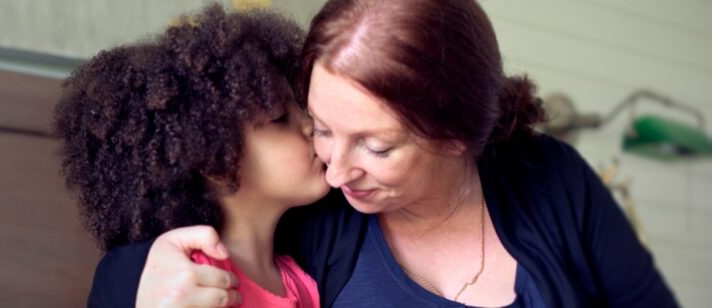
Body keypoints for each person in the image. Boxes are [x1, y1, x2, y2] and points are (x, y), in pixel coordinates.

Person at [89, 0, 679, 307]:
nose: (336, 168)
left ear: (457, 136)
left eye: (377, 146)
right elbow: (152, 257)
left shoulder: (550, 178)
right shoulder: (303, 216)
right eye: (321, 126)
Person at [53, 5, 330, 307]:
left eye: (299, 108)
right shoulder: (193, 280)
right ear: (217, 161)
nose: (310, 124)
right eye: (280, 119)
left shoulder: (301, 279)